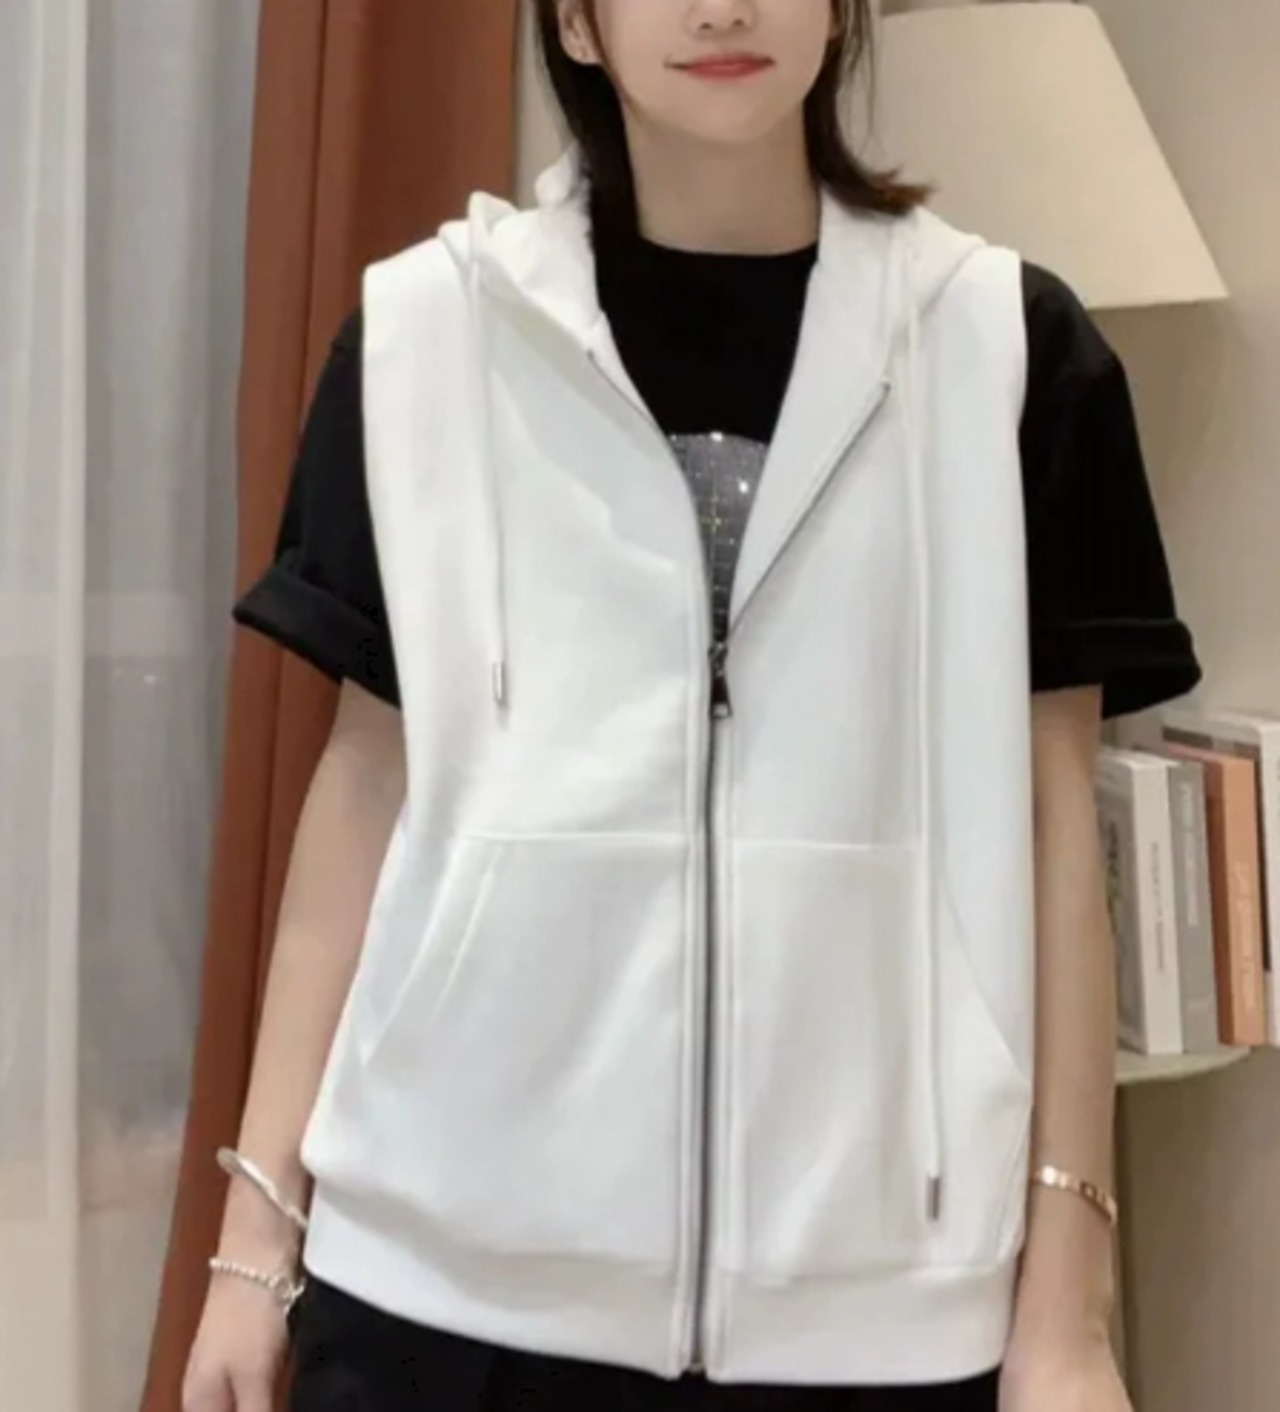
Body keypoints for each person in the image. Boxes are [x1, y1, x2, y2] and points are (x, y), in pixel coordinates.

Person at [184, 2, 1202, 1409]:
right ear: (577, 23)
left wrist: (1068, 1314)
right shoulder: (425, 337)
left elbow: (1051, 829)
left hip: (881, 1324)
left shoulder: (1011, 354)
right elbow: (366, 787)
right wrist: (253, 1246)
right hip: (441, 1296)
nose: (721, 6)